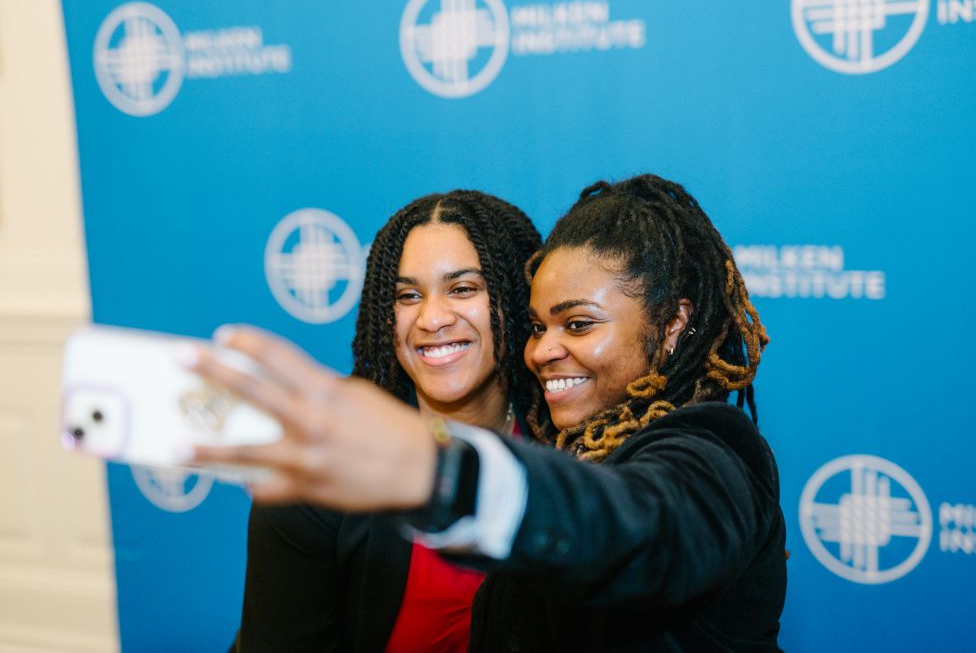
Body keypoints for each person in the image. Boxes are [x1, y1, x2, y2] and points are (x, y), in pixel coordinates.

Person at [192, 173, 787, 652]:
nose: (546, 348)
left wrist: (435, 470)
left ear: (672, 325)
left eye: (578, 324)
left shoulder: (714, 449)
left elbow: (643, 527)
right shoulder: (571, 439)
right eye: (539, 325)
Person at [230, 190, 544, 652]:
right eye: (408, 295)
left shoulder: (570, 443)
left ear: (517, 300)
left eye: (462, 288)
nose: (432, 318)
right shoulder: (320, 472)